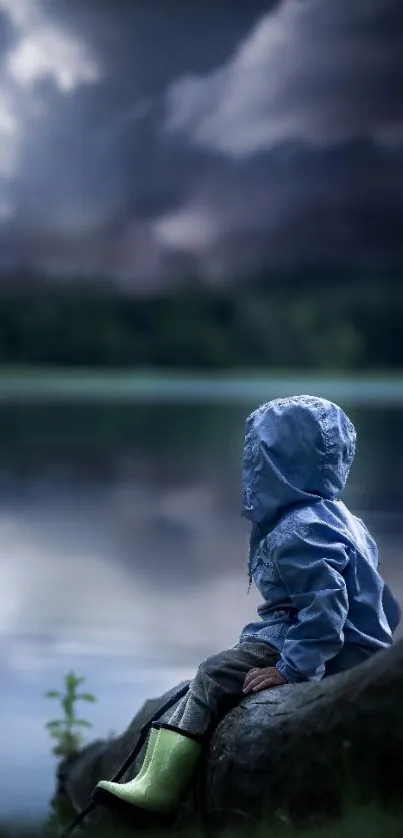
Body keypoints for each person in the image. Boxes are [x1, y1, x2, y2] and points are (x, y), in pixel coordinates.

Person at [93, 395, 401, 817]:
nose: (249, 468)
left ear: (275, 463)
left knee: (212, 674)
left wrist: (290, 668)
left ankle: (159, 787)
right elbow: (380, 597)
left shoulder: (298, 530)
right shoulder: (342, 517)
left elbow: (327, 609)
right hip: (364, 643)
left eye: (257, 456)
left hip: (318, 645)